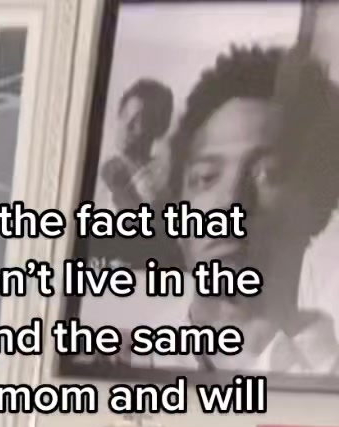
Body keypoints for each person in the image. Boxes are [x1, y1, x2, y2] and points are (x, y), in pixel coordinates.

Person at [164, 44, 339, 377]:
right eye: (206, 177)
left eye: (267, 174)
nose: (231, 203)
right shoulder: (111, 366)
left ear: (319, 203)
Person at [98, 77, 173, 210]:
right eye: (125, 114)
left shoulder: (161, 181)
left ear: (157, 128)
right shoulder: (104, 169)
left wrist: (121, 182)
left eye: (138, 119)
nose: (127, 125)